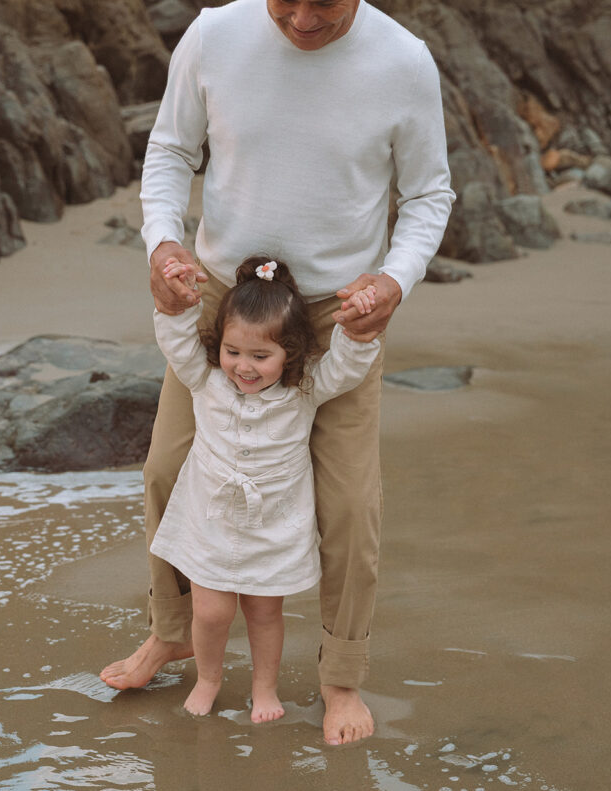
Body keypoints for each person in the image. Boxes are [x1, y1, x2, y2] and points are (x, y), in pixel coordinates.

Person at [100, 0, 455, 746]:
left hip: (338, 313)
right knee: (166, 468)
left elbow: (427, 195)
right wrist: (164, 245)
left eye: (321, 4)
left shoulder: (403, 61)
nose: (299, 19)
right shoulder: (214, 34)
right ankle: (171, 630)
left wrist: (392, 282)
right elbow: (169, 151)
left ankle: (341, 675)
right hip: (227, 308)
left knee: (352, 508)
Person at [151, 256, 380, 722]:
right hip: (211, 521)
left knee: (263, 613)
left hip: (272, 524)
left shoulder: (305, 390)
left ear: (289, 355)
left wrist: (358, 332)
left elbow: (346, 369)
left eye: (261, 356)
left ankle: (265, 688)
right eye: (234, 351)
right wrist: (172, 307)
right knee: (211, 613)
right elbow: (177, 344)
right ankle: (209, 678)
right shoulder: (206, 379)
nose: (244, 367)